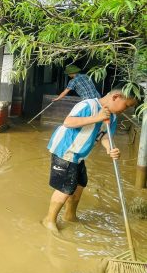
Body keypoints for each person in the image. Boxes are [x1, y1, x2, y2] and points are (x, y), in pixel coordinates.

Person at [42, 84, 139, 232]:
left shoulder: (112, 117)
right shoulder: (88, 105)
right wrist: (97, 117)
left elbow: (105, 137)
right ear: (115, 97)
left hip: (80, 155)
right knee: (65, 188)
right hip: (66, 150)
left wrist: (110, 148)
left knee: (80, 185)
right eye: (126, 106)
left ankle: (70, 216)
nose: (125, 110)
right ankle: (49, 220)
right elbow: (68, 122)